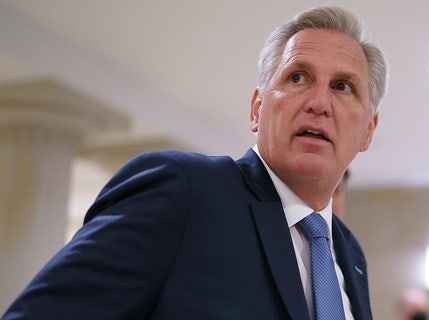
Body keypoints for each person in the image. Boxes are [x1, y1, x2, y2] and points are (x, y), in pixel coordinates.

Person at [2, 5, 387, 320]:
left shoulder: (348, 252)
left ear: (368, 130)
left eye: (342, 86)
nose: (318, 103)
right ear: (257, 109)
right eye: (298, 77)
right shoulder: (184, 191)